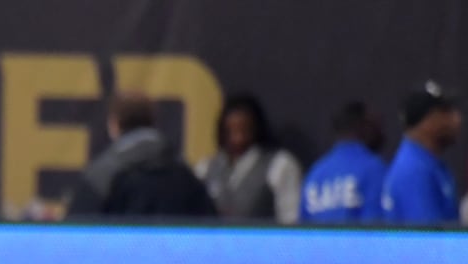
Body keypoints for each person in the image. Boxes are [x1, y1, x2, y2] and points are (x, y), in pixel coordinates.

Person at [67, 92, 215, 218]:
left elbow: (75, 233)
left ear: (114, 124)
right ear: (153, 120)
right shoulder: (185, 175)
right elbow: (212, 227)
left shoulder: (100, 176)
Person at [196, 94, 304, 223]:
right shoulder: (205, 168)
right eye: (232, 131)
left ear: (256, 128)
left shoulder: (280, 165)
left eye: (244, 130)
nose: (238, 138)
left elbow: (291, 220)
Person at [383, 82, 461, 224]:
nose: (456, 119)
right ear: (427, 121)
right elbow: (427, 241)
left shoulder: (428, 163)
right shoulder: (413, 169)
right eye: (446, 112)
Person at [300, 101, 387, 223]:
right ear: (364, 127)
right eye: (375, 125)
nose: (381, 132)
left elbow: (302, 232)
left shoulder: (315, 174)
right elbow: (375, 229)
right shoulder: (373, 169)